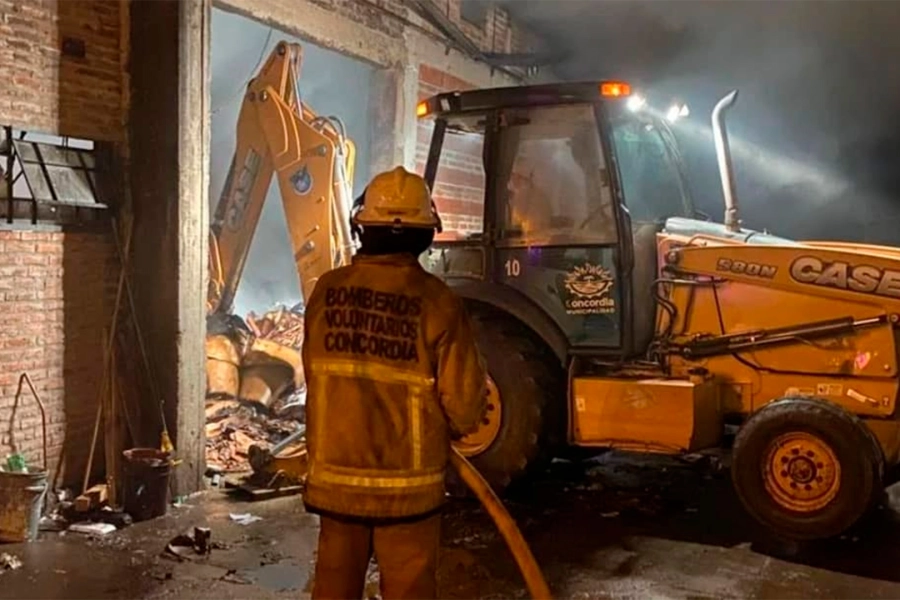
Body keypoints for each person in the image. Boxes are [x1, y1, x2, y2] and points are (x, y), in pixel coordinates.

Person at [302, 166, 488, 600]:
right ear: (426, 235)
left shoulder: (326, 291)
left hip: (335, 485)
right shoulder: (438, 302)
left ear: (362, 227)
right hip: (408, 494)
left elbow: (315, 376)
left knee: (333, 590)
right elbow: (465, 407)